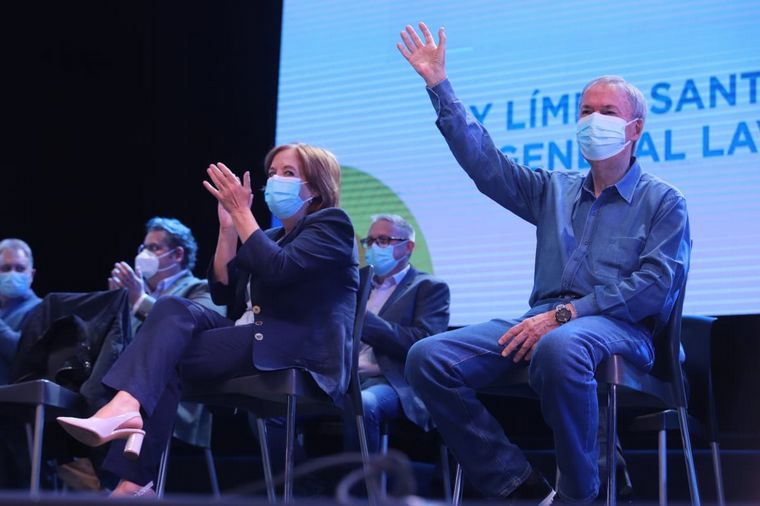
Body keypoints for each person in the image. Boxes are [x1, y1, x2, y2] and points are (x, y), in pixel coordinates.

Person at [398, 23, 690, 504]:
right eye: (586, 111)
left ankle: (582, 495)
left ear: (635, 129)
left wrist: (567, 315)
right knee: (428, 358)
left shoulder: (664, 201)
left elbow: (655, 287)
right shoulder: (553, 189)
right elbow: (485, 165)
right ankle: (517, 485)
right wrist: (439, 87)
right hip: (546, 320)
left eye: (608, 112)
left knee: (560, 346)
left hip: (622, 328)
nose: (593, 120)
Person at [57, 143, 359, 497]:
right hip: (256, 336)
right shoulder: (274, 236)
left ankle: (133, 476)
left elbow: (278, 270)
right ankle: (127, 423)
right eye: (273, 173)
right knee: (171, 309)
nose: (276, 180)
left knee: (168, 360)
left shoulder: (333, 225)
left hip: (298, 350)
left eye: (289, 174)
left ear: (318, 186)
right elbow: (224, 293)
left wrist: (243, 215)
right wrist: (228, 228)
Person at [355, 214, 450, 453]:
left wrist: (364, 320)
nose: (375, 247)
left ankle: (365, 489)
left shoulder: (429, 288)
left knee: (363, 405)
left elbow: (423, 343)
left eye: (384, 240)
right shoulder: (357, 284)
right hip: (345, 378)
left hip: (393, 382)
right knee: (274, 405)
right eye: (371, 240)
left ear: (408, 246)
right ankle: (306, 485)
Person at [0, 238, 42, 385]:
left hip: (12, 402)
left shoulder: (41, 309)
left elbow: (24, 355)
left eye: (19, 268)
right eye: (5, 268)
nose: (12, 274)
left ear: (31, 274)